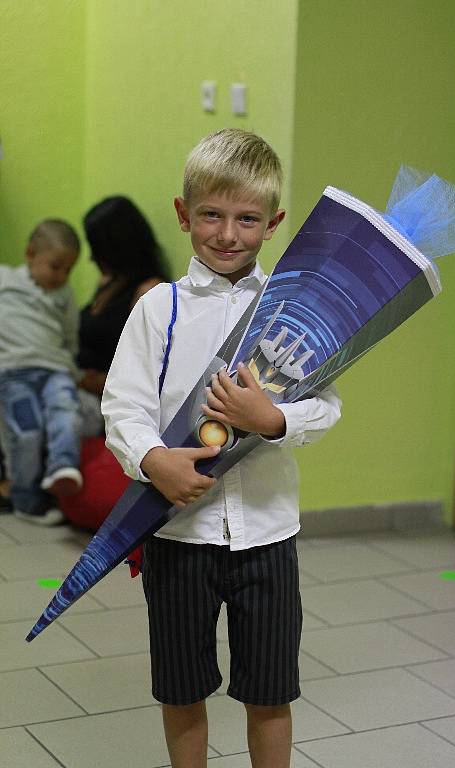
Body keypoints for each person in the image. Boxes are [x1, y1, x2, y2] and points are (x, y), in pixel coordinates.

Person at [101, 129, 341, 768]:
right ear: (183, 215)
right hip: (178, 536)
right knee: (181, 686)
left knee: (270, 688)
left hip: (268, 532)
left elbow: (326, 406)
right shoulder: (158, 310)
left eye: (247, 219)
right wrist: (153, 460)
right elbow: (122, 407)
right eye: (211, 214)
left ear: (273, 224)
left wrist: (273, 419)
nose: (228, 234)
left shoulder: (290, 311)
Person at [0, 220, 83, 526]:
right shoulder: (5, 281)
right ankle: (25, 499)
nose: (62, 276)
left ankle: (62, 467)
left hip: (55, 371)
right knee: (27, 431)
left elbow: (71, 335)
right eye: (56, 266)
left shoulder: (64, 295)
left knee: (66, 410)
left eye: (68, 270)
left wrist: (72, 367)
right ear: (30, 253)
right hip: (13, 374)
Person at [77, 196, 169, 407]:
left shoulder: (148, 291)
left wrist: (93, 381)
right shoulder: (109, 281)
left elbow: (149, 373)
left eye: (97, 249)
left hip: (108, 400)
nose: (92, 258)